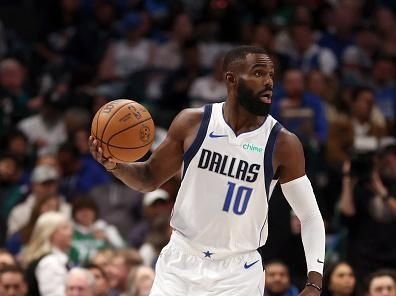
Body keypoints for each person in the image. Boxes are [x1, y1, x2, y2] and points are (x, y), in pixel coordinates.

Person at [89, 45, 325, 295]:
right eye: (258, 73)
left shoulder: (283, 143)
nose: (268, 82)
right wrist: (115, 166)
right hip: (180, 262)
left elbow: (309, 215)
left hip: (238, 272)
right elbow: (148, 178)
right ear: (231, 80)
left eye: (271, 75)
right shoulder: (192, 123)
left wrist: (314, 282)